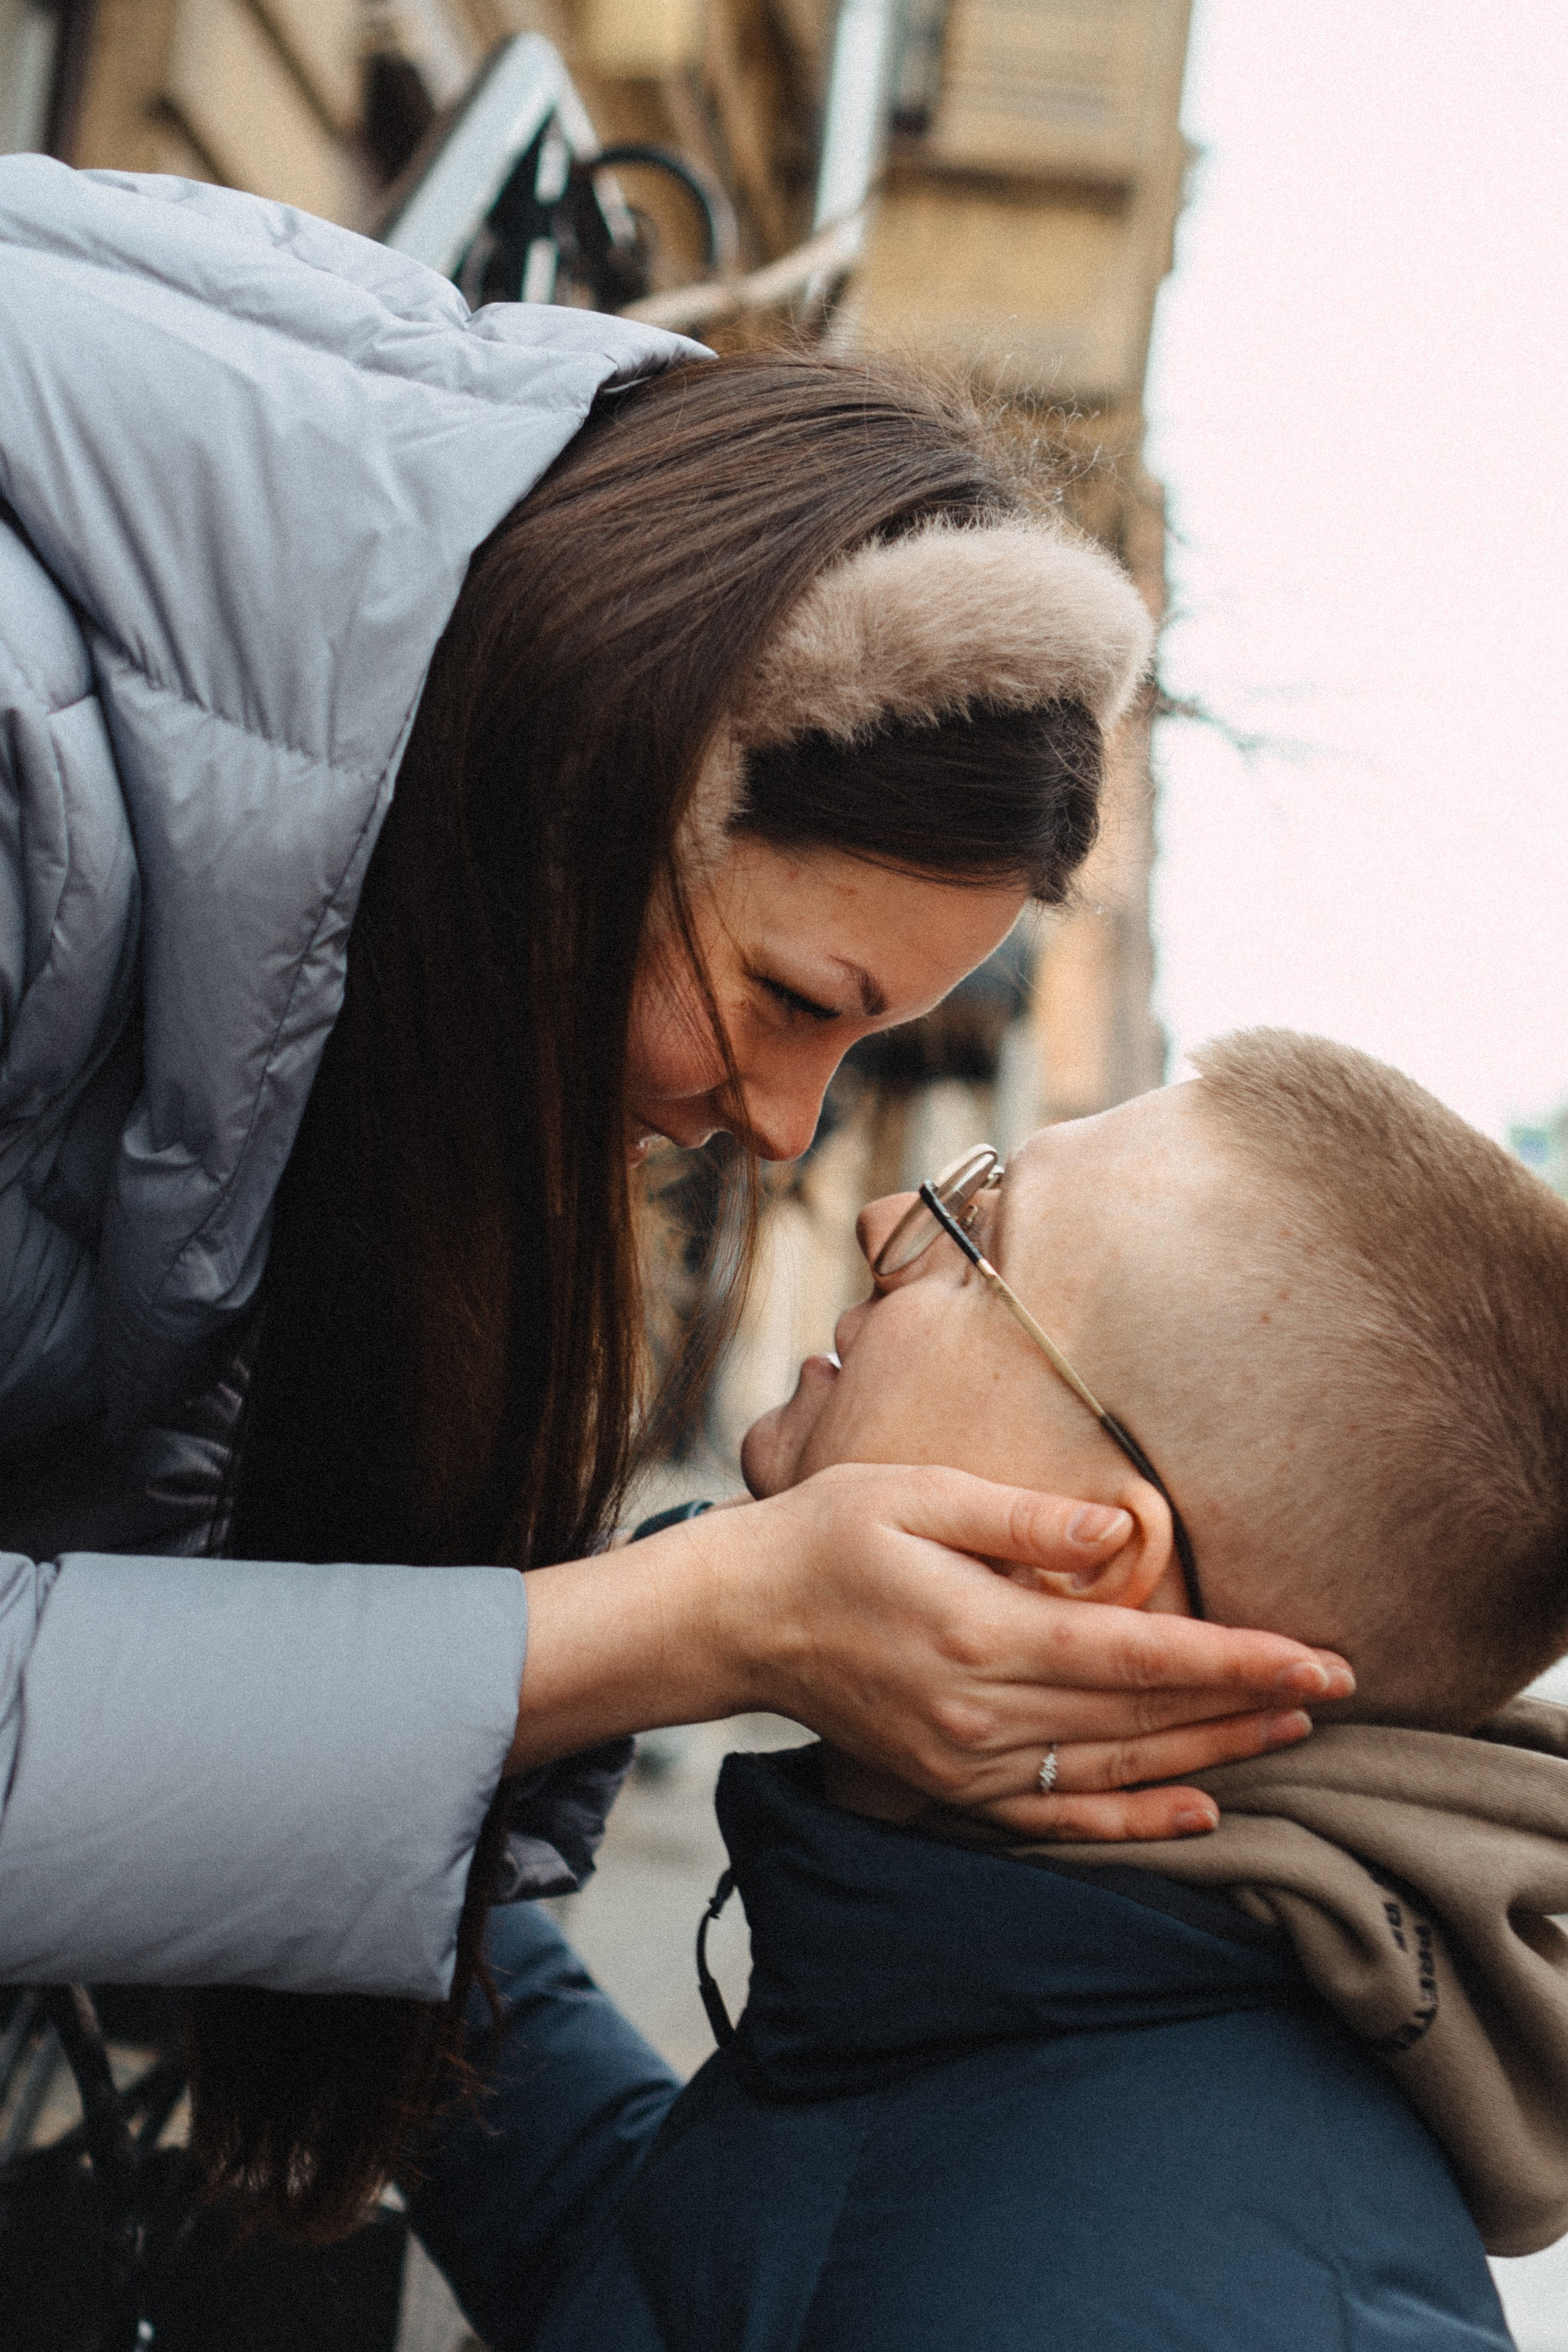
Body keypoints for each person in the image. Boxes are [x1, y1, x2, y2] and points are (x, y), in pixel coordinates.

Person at [0, 156, 1351, 2242]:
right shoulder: (37, 784)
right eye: (797, 1001)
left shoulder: (352, 894)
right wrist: (693, 1619)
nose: (800, 1134)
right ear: (616, 764)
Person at [417, 1032, 1568, 2351]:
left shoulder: (1192, 2304)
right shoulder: (1032, 1998)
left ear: (1080, 1553)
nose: (877, 1214)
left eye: (975, 1236)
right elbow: (678, 2272)